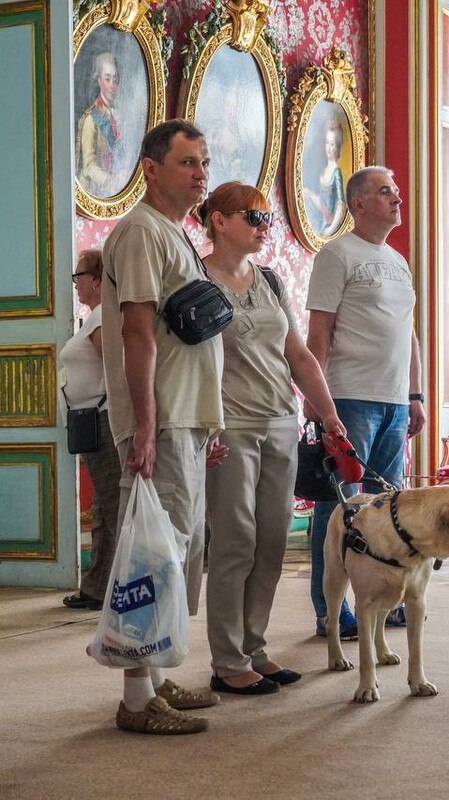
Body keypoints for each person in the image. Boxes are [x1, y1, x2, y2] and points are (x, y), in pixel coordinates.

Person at [99, 119, 226, 734]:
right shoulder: (141, 233)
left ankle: (154, 673)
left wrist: (207, 423)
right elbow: (137, 333)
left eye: (204, 162)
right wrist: (146, 426)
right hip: (163, 419)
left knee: (177, 552)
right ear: (151, 169)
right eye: (188, 163)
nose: (201, 174)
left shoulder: (173, 234)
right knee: (154, 555)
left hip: (185, 419)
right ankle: (134, 699)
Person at [198, 182, 347, 695]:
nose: (265, 226)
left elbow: (299, 356)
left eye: (266, 218)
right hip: (230, 425)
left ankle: (255, 648)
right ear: (219, 220)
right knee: (235, 541)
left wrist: (327, 415)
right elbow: (183, 362)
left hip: (281, 421)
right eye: (254, 217)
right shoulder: (195, 278)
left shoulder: (270, 280)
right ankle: (226, 659)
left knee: (273, 541)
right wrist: (202, 426)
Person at [305, 166, 425, 639]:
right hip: (350, 398)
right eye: (384, 192)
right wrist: (318, 401)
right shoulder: (336, 255)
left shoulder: (398, 260)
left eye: (395, 191)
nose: (396, 198)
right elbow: (320, 332)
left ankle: (377, 602)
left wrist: (414, 395)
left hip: (394, 403)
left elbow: (409, 335)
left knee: (385, 511)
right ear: (358, 204)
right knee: (338, 510)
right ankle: (330, 611)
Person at [61, 250, 121, 612]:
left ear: (96, 278)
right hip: (92, 420)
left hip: (102, 420)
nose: (77, 282)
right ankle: (98, 587)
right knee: (104, 506)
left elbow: (114, 368)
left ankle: (115, 588)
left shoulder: (101, 317)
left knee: (112, 507)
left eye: (79, 275)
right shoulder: (93, 318)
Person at [77, 51, 123, 196]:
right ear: (98, 80)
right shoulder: (90, 119)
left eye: (115, 79)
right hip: (92, 191)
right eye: (107, 79)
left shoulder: (116, 116)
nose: (112, 85)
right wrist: (112, 181)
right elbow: (89, 166)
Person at [303, 119, 346, 238]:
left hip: (328, 222)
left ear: (337, 147)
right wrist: (310, 195)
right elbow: (321, 201)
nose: (329, 147)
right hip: (320, 217)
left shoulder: (336, 172)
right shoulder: (323, 169)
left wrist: (331, 228)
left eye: (332, 144)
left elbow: (340, 204)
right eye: (327, 143)